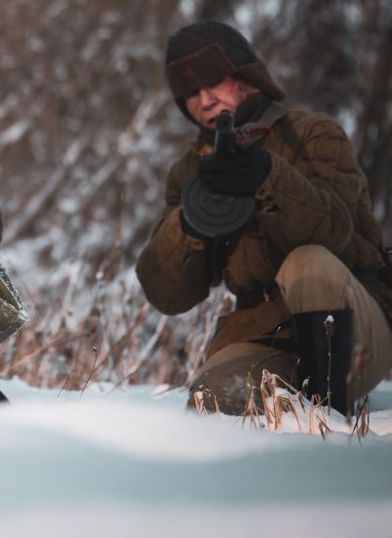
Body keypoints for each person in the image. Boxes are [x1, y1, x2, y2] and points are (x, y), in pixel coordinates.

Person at [137, 21, 392, 414]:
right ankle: (297, 418)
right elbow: (167, 295)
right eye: (188, 94)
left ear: (248, 78)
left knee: (308, 263)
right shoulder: (191, 172)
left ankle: (332, 422)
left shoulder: (313, 134)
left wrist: (266, 175)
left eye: (213, 82)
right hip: (265, 334)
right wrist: (191, 223)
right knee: (215, 398)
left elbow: (336, 234)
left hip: (354, 330)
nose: (202, 100)